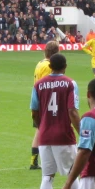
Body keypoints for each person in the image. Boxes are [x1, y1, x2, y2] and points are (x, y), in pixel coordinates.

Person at [31, 53, 80, 189]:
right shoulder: (70, 83)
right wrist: (82, 131)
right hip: (64, 136)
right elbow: (72, 111)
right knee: (73, 175)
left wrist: (41, 125)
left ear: (50, 66)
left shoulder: (38, 85)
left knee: (47, 176)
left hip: (45, 136)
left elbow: (34, 111)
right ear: (65, 66)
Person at [30, 41, 60, 170]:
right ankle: (50, 159)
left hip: (38, 101)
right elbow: (48, 85)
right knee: (48, 131)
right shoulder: (49, 66)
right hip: (46, 103)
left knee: (39, 131)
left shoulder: (40, 63)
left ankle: (34, 161)